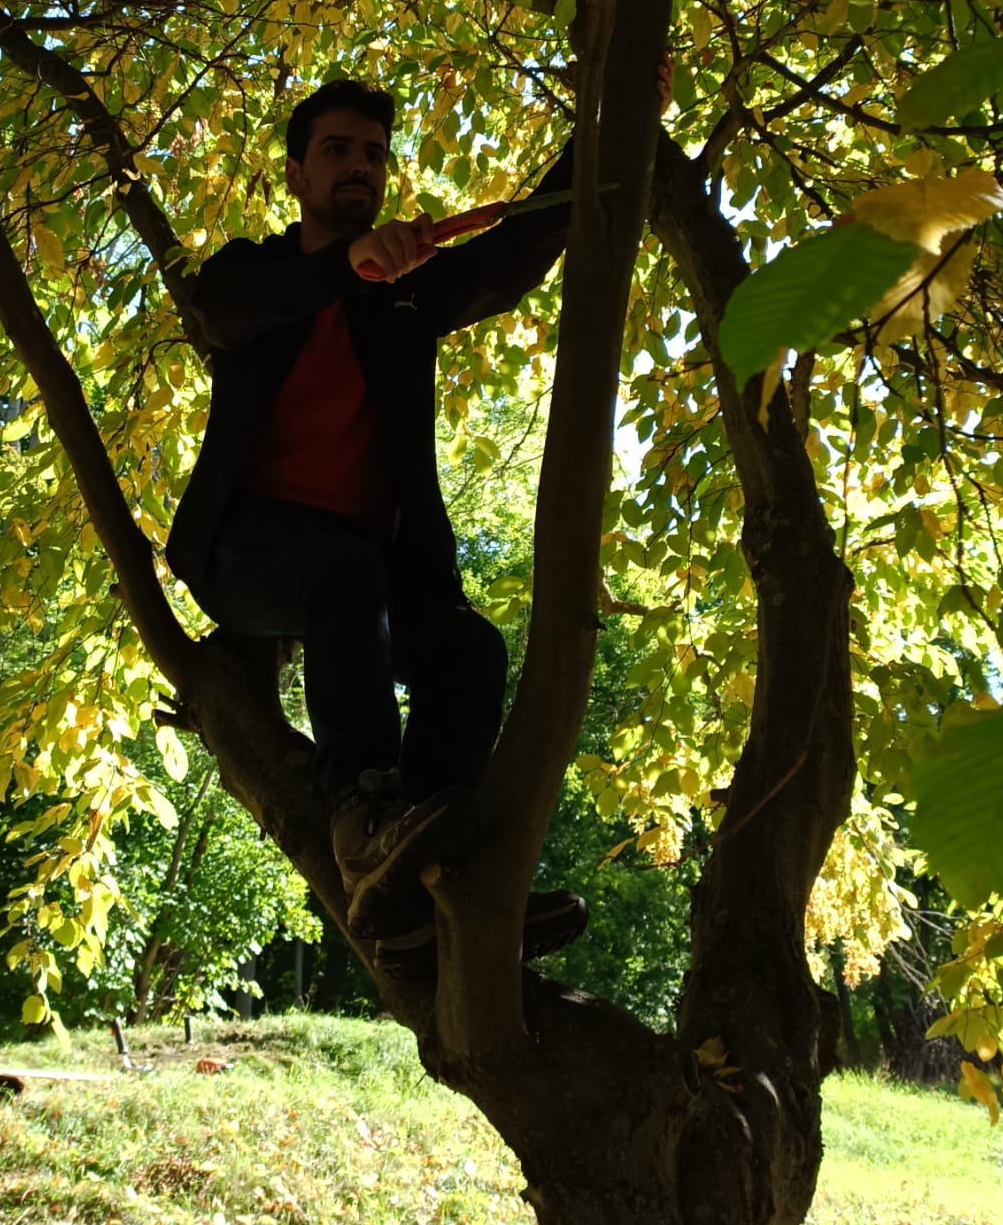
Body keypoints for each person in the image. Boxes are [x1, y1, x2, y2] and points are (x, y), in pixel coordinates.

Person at [166, 65, 669, 971]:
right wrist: (339, 270)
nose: (357, 167)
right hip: (245, 553)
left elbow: (523, 240)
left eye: (372, 154)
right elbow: (225, 311)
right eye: (335, 151)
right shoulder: (254, 272)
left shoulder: (409, 297)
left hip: (362, 579)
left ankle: (428, 876)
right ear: (295, 174)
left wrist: (611, 116)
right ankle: (364, 815)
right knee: (341, 571)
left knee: (467, 649)